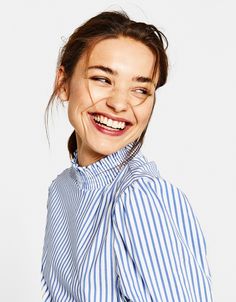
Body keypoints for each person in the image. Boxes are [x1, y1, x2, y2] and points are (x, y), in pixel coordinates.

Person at [41, 10, 213, 302]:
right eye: (102, 79)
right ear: (63, 82)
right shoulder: (62, 190)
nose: (120, 103)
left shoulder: (139, 196)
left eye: (140, 89)